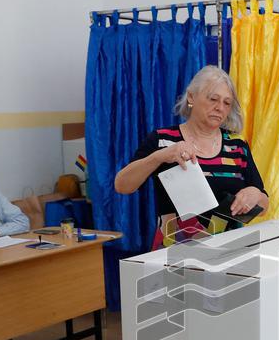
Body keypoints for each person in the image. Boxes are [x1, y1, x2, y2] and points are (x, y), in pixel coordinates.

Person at [114, 66, 269, 248]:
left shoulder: (237, 147)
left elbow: (264, 207)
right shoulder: (163, 140)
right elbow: (122, 185)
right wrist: (159, 157)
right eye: (213, 99)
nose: (219, 108)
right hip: (175, 255)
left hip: (230, 253)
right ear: (191, 97)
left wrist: (256, 195)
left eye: (227, 103)